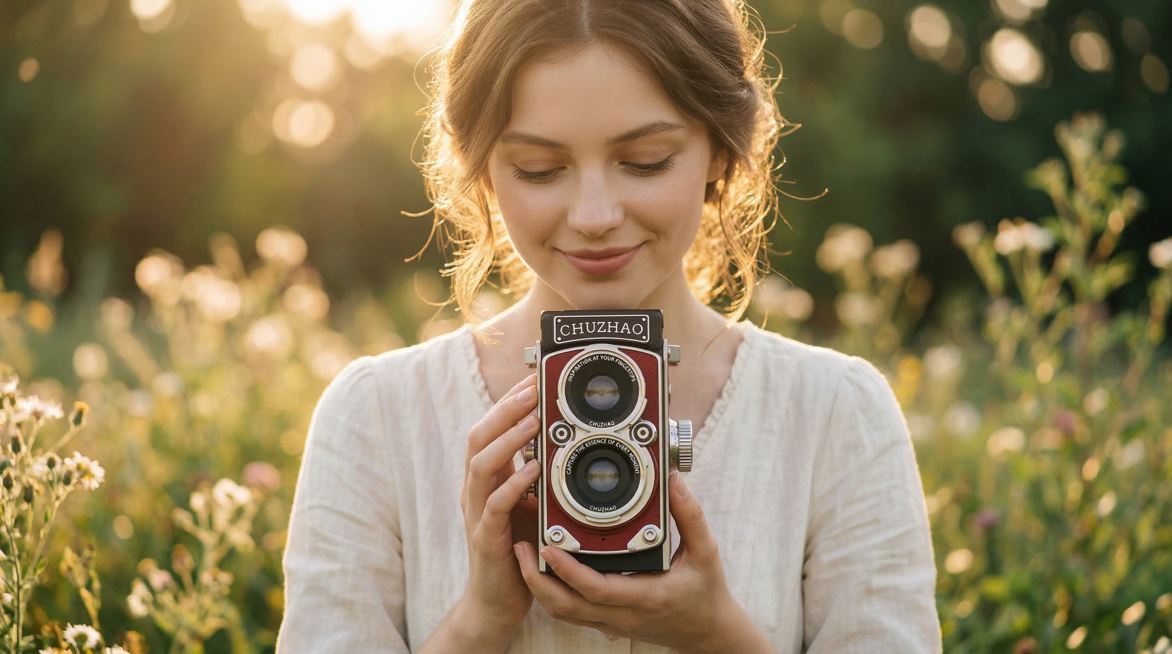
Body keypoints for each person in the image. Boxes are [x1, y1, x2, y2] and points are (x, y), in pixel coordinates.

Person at [277, 0, 942, 651]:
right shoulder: (376, 417)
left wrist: (717, 636)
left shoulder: (834, 415)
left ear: (719, 149)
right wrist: (480, 620)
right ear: (482, 166)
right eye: (540, 169)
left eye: (646, 160)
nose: (594, 214)